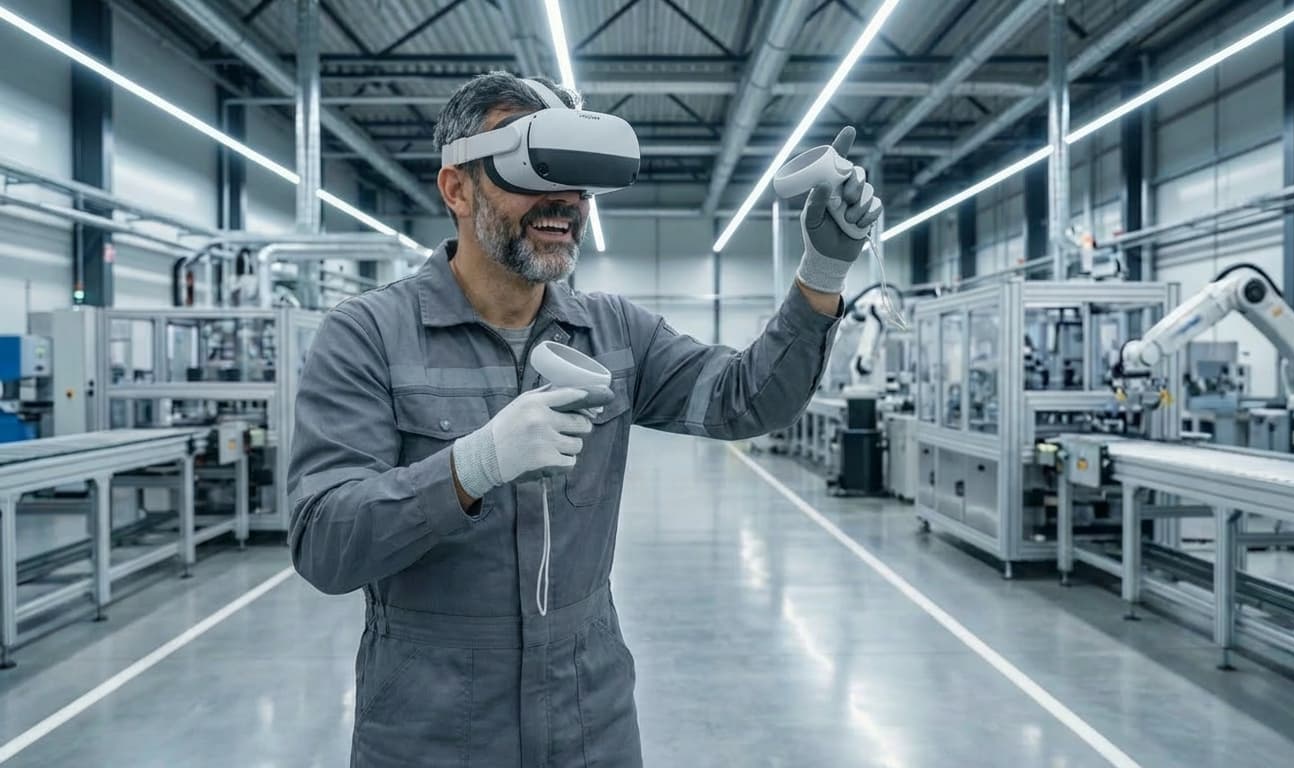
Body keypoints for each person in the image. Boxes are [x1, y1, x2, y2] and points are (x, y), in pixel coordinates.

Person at [287, 71, 883, 768]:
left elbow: (743, 399)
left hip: (588, 717)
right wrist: (472, 466)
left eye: (578, 179)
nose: (564, 201)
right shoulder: (368, 336)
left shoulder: (615, 333)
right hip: (429, 728)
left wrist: (823, 269)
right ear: (457, 189)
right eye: (534, 171)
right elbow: (325, 542)